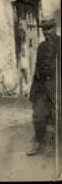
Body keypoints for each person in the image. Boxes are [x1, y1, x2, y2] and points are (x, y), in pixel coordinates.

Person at [26, 18, 61, 156]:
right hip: (41, 88)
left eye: (48, 29)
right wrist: (33, 91)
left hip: (57, 87)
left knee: (58, 116)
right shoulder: (41, 47)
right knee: (38, 116)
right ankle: (38, 140)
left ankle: (56, 143)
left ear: (55, 27)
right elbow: (37, 70)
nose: (46, 32)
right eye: (43, 29)